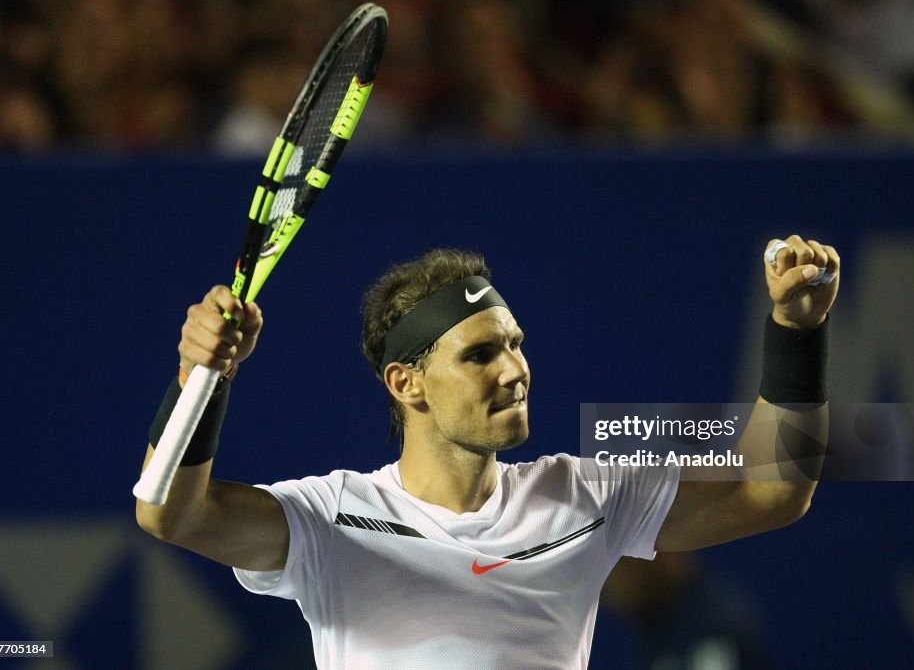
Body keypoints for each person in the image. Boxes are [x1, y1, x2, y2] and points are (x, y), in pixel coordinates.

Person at [136, 235, 839, 669]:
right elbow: (169, 512)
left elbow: (772, 491)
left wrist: (795, 334)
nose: (514, 369)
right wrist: (201, 376)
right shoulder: (327, 519)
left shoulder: (584, 496)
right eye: (480, 353)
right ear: (406, 382)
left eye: (515, 343)